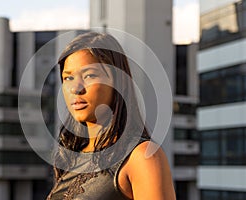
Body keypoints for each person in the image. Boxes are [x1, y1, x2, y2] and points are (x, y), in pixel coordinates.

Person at [47, 32, 176, 200]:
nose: (75, 88)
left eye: (89, 75)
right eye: (68, 77)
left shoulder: (142, 156)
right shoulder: (74, 156)